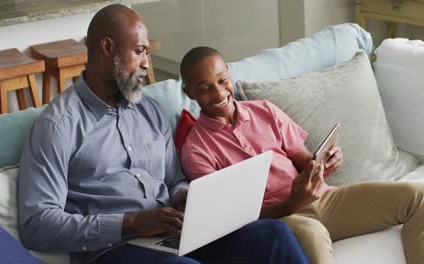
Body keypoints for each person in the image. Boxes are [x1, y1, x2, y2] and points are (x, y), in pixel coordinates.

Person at [18, 5, 309, 264]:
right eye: (140, 51)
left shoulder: (149, 109)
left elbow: (174, 179)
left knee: (272, 234)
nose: (147, 64)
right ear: (107, 48)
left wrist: (183, 197)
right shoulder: (58, 125)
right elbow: (37, 226)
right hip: (115, 249)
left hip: (174, 236)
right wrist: (130, 223)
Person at [179, 46, 424, 264]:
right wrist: (291, 203)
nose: (220, 93)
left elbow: (306, 159)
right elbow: (230, 222)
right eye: (205, 89)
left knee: (418, 196)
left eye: (222, 80)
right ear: (189, 92)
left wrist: (324, 165)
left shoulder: (264, 111)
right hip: (281, 220)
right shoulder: (196, 150)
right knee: (312, 233)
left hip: (324, 200)